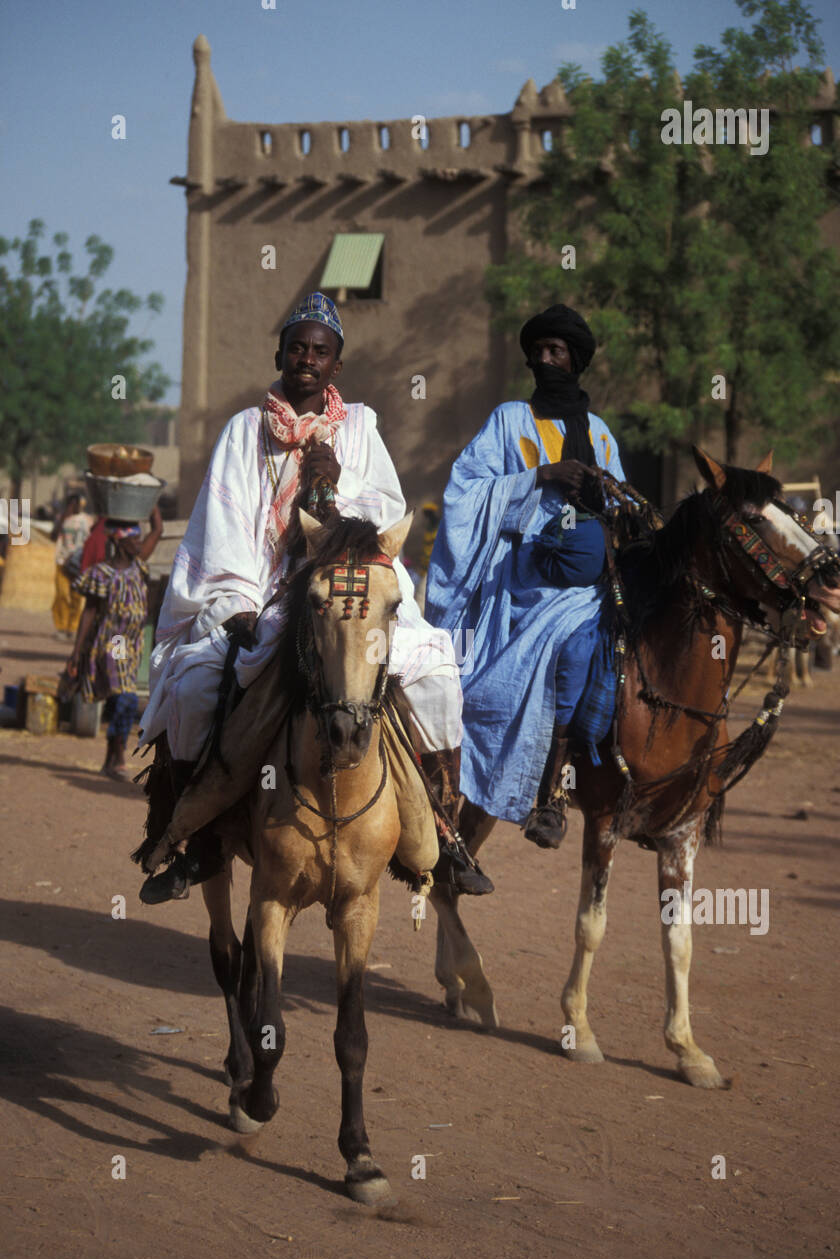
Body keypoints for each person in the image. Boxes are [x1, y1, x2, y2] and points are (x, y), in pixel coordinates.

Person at [137, 292, 491, 902]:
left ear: (337, 366)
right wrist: (236, 605)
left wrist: (336, 480)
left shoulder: (360, 428)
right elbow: (220, 531)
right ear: (279, 354)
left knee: (435, 673)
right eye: (297, 347)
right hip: (265, 593)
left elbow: (383, 521)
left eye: (320, 351)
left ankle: (441, 832)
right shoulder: (244, 431)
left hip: (346, 596)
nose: (307, 358)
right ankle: (201, 838)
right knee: (195, 686)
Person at [425, 303, 626, 848]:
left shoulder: (601, 434)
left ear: (574, 360)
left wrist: (603, 497)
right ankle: (544, 793)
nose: (545, 359)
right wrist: (541, 476)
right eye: (538, 351)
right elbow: (466, 491)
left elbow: (625, 512)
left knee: (613, 649)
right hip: (520, 584)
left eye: (555, 351)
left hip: (587, 588)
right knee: (553, 658)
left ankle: (607, 782)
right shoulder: (510, 419)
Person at [66, 508, 163, 780]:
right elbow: (89, 612)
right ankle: (119, 756)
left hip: (133, 644)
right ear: (120, 541)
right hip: (115, 642)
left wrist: (151, 500)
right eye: (134, 539)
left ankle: (110, 757)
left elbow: (158, 530)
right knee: (128, 698)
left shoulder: (139, 565)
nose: (140, 543)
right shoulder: (102, 573)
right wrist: (76, 653)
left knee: (120, 699)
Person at [51, 494, 92, 638]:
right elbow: (53, 535)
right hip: (62, 561)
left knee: (77, 596)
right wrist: (62, 518)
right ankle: (61, 627)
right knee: (61, 594)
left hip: (79, 563)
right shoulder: (62, 518)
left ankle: (73, 628)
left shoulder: (87, 520)